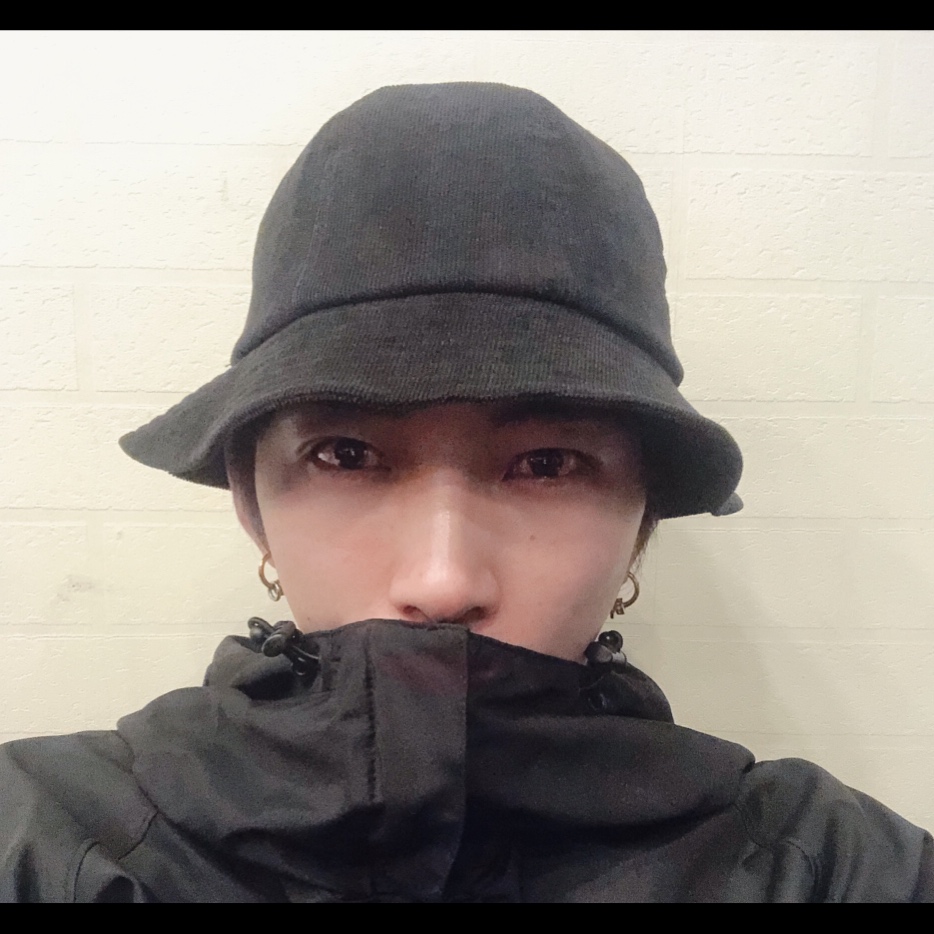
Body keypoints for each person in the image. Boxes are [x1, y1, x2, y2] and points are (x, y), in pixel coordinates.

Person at [1, 82, 931, 903]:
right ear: (252, 504)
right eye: (346, 454)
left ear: (642, 521)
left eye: (547, 465)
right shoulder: (39, 844)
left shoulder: (828, 869)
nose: (443, 583)